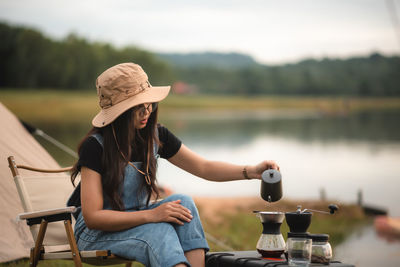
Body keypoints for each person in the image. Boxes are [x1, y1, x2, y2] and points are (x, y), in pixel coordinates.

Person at [69, 62, 280, 267]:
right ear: (119, 112)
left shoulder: (156, 136)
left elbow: (204, 167)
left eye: (149, 103)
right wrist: (151, 215)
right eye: (138, 107)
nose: (147, 112)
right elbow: (93, 218)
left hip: (136, 223)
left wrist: (251, 171)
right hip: (96, 235)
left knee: (184, 204)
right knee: (158, 231)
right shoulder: (95, 146)